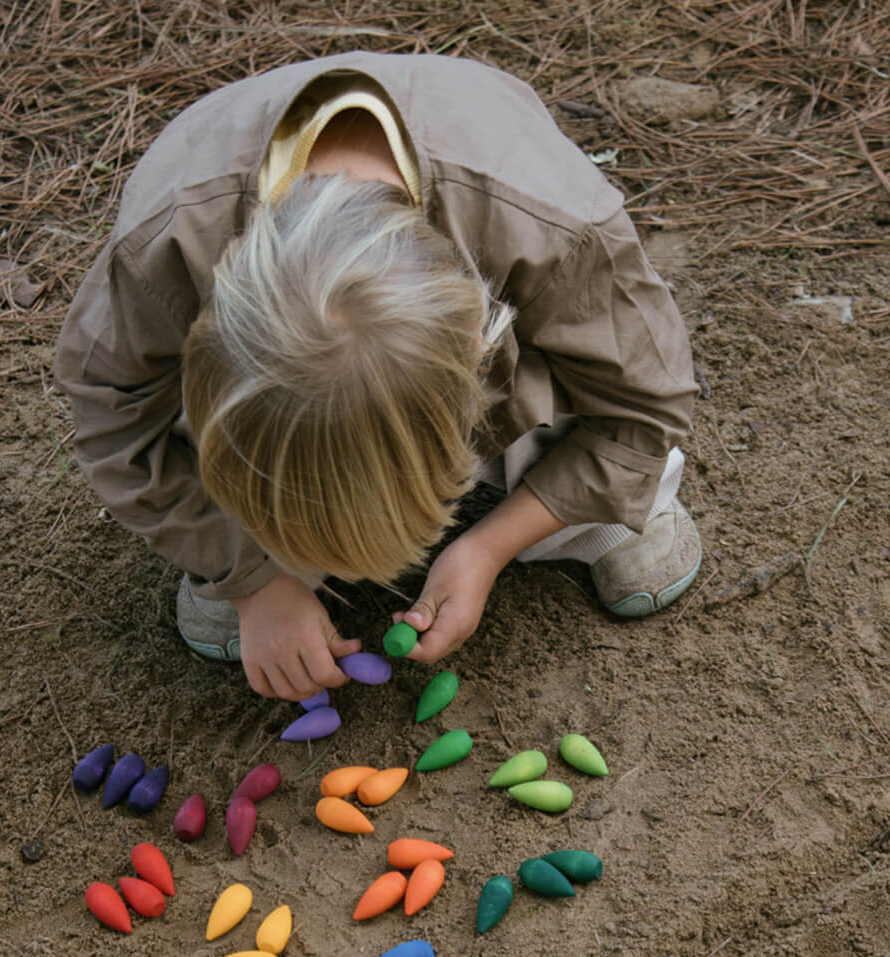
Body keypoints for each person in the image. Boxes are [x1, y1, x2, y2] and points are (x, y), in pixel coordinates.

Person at [55, 52, 701, 702]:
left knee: (610, 414)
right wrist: (251, 579)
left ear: (477, 346)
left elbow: (647, 404)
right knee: (186, 441)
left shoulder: (554, 229)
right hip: (249, 365)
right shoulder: (160, 253)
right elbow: (113, 428)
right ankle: (249, 554)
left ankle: (594, 519)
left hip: (515, 327)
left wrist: (489, 546)